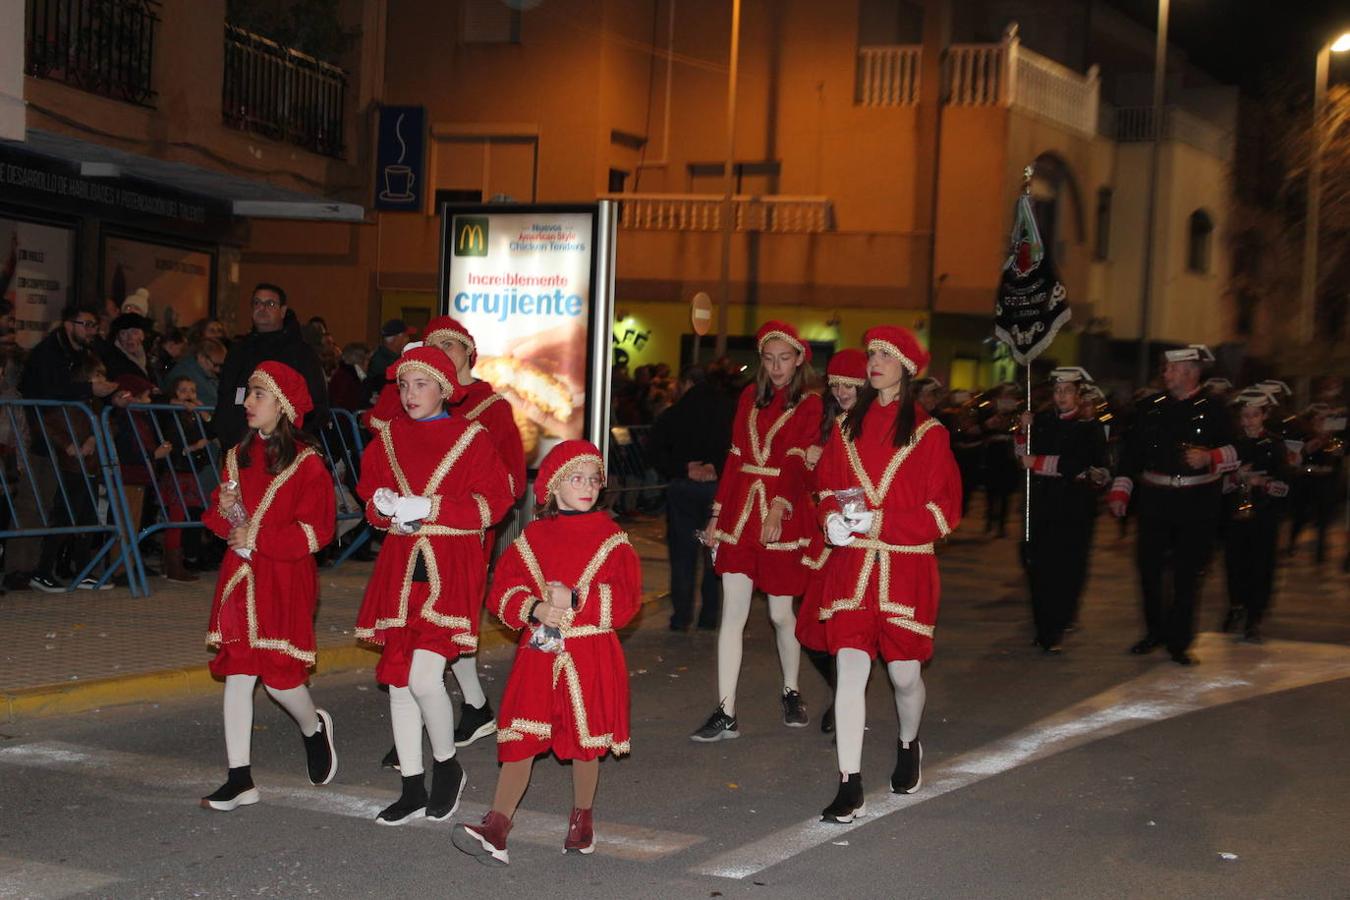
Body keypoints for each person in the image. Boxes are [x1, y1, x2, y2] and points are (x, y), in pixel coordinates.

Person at [451, 440, 641, 865]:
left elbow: (627, 600)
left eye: (594, 479)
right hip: (539, 651)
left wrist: (576, 597)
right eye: (577, 479)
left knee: (584, 742)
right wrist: (535, 607)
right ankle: (498, 822)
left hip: (590, 651)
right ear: (554, 486)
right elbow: (502, 590)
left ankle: (582, 817)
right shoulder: (532, 536)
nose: (588, 486)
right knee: (521, 732)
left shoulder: (613, 538)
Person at [354, 347, 513, 825]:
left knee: (425, 677)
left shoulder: (472, 437)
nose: (409, 395)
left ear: (444, 387)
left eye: (420, 384)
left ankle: (447, 767)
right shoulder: (388, 438)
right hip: (401, 571)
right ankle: (411, 786)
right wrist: (381, 509)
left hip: (450, 569)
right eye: (403, 386)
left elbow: (493, 505)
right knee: (400, 681)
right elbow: (370, 501)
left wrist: (431, 508)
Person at [812, 326, 961, 822]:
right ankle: (849, 784)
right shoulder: (846, 426)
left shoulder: (929, 433)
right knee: (850, 672)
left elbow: (945, 512)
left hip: (905, 568)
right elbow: (829, 486)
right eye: (871, 353)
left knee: (902, 676)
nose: (873, 361)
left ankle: (908, 742)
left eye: (884, 355)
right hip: (853, 565)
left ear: (907, 368)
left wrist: (883, 521)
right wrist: (830, 518)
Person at [199, 361, 338, 811]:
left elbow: (318, 532)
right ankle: (240, 778)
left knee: (279, 682)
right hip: (241, 578)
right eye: (249, 393)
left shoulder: (307, 462)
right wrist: (225, 509)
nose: (249, 402)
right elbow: (226, 526)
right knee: (238, 673)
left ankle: (313, 726)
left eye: (259, 394)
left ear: (284, 405)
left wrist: (259, 537)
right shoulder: (235, 457)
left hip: (284, 578)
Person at [691, 321, 821, 741]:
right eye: (769, 358)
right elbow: (733, 456)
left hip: (781, 511)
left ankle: (792, 689)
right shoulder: (749, 395)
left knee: (782, 614)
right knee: (733, 615)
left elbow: (798, 460)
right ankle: (725, 710)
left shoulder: (809, 403)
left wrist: (779, 509)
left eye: (785, 358)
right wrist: (716, 515)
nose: (777, 366)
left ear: (799, 358)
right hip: (741, 512)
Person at [423, 316, 527, 744]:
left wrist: (476, 503)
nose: (445, 352)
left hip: (466, 527)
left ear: (469, 352)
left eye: (453, 344)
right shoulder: (426, 400)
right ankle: (471, 704)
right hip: (420, 529)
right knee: (423, 614)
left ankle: (468, 706)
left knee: (451, 613)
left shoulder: (491, 406)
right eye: (437, 345)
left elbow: (512, 479)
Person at [1108, 345, 1238, 666]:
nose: (1165, 374)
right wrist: (1121, 489)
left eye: (1172, 369)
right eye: (1165, 369)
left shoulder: (1216, 408)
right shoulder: (1150, 407)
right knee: (1148, 568)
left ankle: (1180, 641)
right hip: (1155, 499)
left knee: (1187, 573)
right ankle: (1154, 631)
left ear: (1192, 372)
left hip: (1197, 502)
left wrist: (1211, 457)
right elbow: (1131, 453)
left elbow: (1238, 450)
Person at [19, 304, 126, 591]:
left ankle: (81, 569)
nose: (93, 331)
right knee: (49, 509)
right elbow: (48, 402)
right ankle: (28, 569)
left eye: (95, 325)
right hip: (54, 449)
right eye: (87, 324)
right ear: (69, 324)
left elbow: (102, 419)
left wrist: (108, 406)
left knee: (85, 515)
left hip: (84, 460)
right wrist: (69, 442)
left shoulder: (82, 355)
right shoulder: (48, 354)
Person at [796, 347, 867, 735]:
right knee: (810, 629)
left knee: (848, 626)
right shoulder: (830, 422)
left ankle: (847, 700)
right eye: (835, 384)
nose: (841, 391)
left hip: (863, 539)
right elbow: (816, 486)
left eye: (849, 384)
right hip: (826, 537)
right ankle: (843, 690)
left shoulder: (874, 427)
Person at [1016, 367, 1108, 653]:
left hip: (1073, 507)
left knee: (1066, 569)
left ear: (1078, 395)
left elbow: (1076, 464)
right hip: (1042, 504)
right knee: (1038, 568)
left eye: (1067, 391)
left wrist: (1039, 462)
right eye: (1057, 391)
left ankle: (1056, 627)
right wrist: (1022, 430)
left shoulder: (1089, 427)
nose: (1061, 396)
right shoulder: (1041, 421)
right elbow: (1021, 458)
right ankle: (1044, 626)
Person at [647, 365, 736, 632]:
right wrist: (716, 468)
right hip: (717, 490)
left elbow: (653, 452)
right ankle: (709, 616)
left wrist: (684, 468)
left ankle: (681, 616)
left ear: (686, 383)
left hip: (683, 488)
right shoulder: (729, 410)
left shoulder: (674, 414)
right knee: (713, 554)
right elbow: (739, 448)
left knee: (683, 555)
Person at [213, 283, 329, 448]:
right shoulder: (239, 350)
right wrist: (223, 428)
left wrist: (292, 435)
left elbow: (316, 403)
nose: (262, 308)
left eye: (270, 304)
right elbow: (226, 392)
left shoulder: (301, 353)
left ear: (282, 311)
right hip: (238, 441)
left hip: (282, 445)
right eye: (257, 303)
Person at [1220, 390, 1291, 643]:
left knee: (1261, 567)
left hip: (1264, 515)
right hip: (1235, 514)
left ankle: (1254, 617)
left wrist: (1262, 482)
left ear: (1264, 416)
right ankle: (1237, 605)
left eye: (1254, 415)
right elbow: (1218, 480)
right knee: (1234, 564)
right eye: (1244, 416)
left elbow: (1286, 486)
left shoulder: (1274, 445)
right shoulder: (1233, 444)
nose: (1248, 421)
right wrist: (1234, 478)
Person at [1286, 403, 1344, 564]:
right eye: (1319, 418)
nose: (1323, 421)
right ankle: (1292, 543)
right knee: (1301, 516)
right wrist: (1308, 449)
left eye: (1327, 418)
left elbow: (1337, 459)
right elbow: (1294, 459)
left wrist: (1333, 446)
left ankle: (1320, 554)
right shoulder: (1302, 435)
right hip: (1305, 481)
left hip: (1327, 482)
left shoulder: (1334, 437)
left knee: (1324, 518)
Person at [165, 338, 225, 408]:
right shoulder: (185, 374)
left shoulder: (206, 374)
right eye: (215, 365)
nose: (218, 370)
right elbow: (214, 402)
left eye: (221, 366)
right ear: (201, 357)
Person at [364, 318, 412, 403]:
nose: (408, 339)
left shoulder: (382, 356)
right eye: (405, 336)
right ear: (396, 338)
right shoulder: (384, 361)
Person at [98, 313, 155, 384]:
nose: (130, 338)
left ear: (142, 335)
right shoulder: (112, 361)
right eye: (123, 333)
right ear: (117, 337)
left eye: (134, 332)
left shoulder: (147, 357)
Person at [328, 342, 370, 413]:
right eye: (368, 359)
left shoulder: (341, 373)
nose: (369, 364)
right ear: (361, 360)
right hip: (350, 420)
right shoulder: (351, 378)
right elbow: (356, 405)